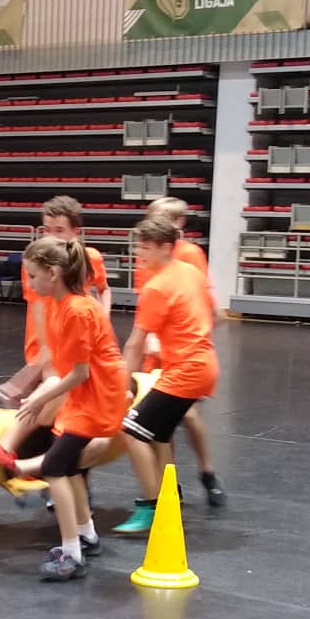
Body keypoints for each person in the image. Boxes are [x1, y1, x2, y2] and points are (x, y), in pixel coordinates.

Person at [0, 235, 129, 581]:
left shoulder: (77, 310)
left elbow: (80, 372)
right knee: (68, 467)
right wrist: (31, 387)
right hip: (86, 394)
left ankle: (71, 554)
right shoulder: (59, 305)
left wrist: (40, 399)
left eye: (33, 275)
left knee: (55, 467)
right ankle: (87, 535)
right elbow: (62, 364)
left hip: (98, 397)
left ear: (53, 273)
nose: (29, 283)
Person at [114, 218, 224, 535]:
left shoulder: (156, 287)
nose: (139, 253)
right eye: (138, 246)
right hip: (201, 364)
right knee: (159, 435)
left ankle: (150, 506)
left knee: (131, 431)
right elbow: (209, 315)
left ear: (165, 247)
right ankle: (167, 499)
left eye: (145, 248)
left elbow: (135, 342)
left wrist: (122, 386)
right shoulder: (189, 272)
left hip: (186, 371)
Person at [139, 199, 226, 507]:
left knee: (186, 414)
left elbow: (204, 305)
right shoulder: (147, 258)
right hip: (158, 353)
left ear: (178, 226)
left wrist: (191, 338)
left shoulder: (189, 256)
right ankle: (169, 484)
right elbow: (149, 305)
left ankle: (207, 471)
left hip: (185, 354)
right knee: (159, 428)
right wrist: (151, 337)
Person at [0, 195, 110, 407]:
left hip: (77, 342)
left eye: (59, 230)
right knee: (46, 406)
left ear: (76, 231)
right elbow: (37, 307)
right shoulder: (37, 262)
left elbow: (104, 290)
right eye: (47, 229)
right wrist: (45, 352)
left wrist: (102, 321)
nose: (51, 236)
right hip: (45, 344)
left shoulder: (90, 257)